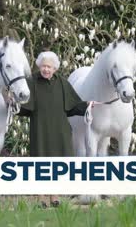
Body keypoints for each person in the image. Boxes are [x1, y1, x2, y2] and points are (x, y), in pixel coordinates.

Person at [18, 50, 93, 208]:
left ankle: (55, 196)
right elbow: (24, 107)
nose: (46, 69)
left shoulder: (62, 82)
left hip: (60, 130)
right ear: (39, 66)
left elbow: (73, 106)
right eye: (44, 66)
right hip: (40, 129)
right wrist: (13, 104)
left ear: (55, 69)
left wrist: (88, 105)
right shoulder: (31, 81)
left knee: (58, 162)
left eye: (49, 67)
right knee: (41, 162)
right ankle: (42, 198)